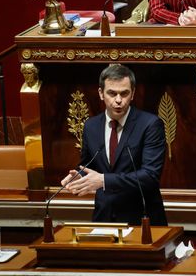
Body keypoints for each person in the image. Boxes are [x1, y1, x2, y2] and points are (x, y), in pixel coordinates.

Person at [61, 64, 168, 226]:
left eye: (124, 93)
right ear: (101, 93)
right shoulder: (91, 126)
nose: (118, 100)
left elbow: (150, 176)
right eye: (112, 93)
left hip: (142, 218)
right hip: (104, 218)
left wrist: (103, 180)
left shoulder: (150, 124)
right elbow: (89, 165)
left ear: (132, 94)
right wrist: (78, 177)